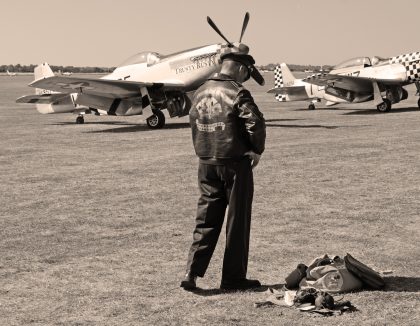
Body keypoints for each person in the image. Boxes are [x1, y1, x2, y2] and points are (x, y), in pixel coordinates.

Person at [180, 51, 266, 291]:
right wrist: (256, 149)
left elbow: (194, 120)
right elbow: (255, 122)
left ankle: (191, 272)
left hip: (206, 162)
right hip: (234, 163)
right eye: (246, 74)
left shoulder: (199, 91)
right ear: (239, 68)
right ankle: (233, 278)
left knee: (205, 220)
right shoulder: (237, 92)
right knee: (237, 222)